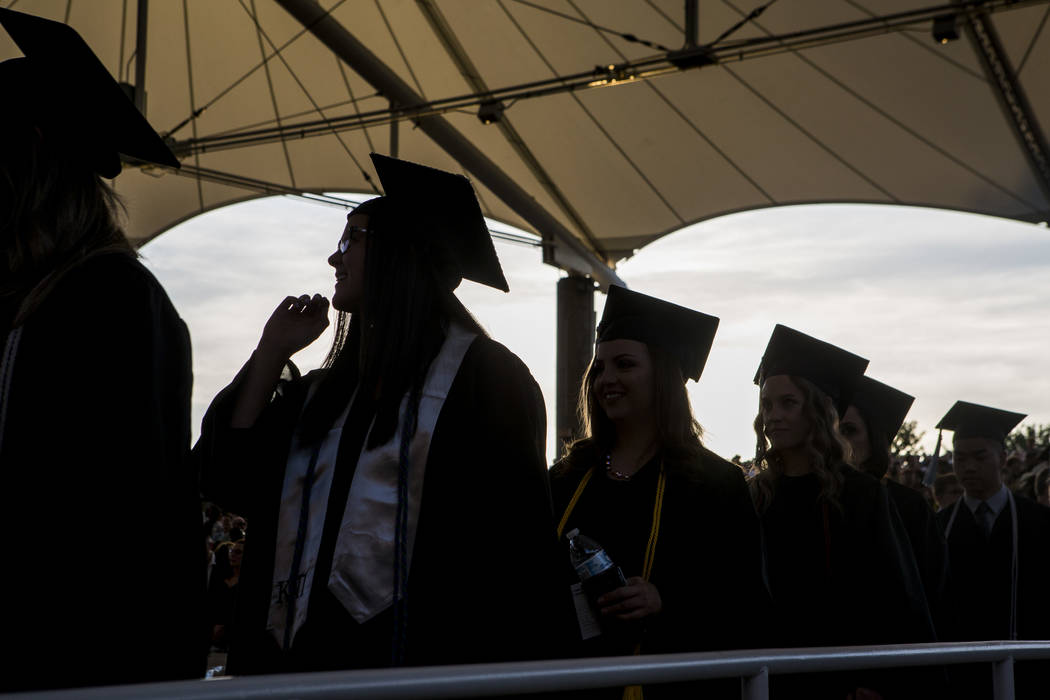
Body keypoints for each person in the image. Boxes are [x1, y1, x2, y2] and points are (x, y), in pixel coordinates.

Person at [194, 154, 571, 675]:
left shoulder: (486, 380)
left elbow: (513, 554)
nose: (334, 257)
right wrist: (270, 355)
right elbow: (231, 479)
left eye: (352, 237)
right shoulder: (323, 394)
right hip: (290, 665)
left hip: (421, 664)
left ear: (403, 251)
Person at [0, 9, 203, 691]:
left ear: (26, 153)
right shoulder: (27, 300)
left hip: (74, 665)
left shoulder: (113, 302)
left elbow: (124, 533)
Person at [550, 286, 768, 698]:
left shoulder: (715, 484)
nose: (606, 379)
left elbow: (748, 608)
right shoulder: (567, 478)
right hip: (571, 683)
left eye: (624, 364)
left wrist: (666, 603)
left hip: (673, 686)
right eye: (599, 367)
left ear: (664, 376)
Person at [750, 325, 936, 700]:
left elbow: (895, 597)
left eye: (789, 403)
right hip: (768, 675)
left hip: (845, 678)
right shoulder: (757, 493)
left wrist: (881, 682)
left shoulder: (860, 493)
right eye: (767, 405)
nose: (774, 416)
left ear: (817, 410)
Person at [934, 401, 1050, 699]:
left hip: (1031, 671)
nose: (968, 467)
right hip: (959, 674)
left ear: (1002, 457)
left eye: (979, 457)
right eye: (959, 459)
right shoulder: (937, 528)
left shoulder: (1038, 522)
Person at [839, 376, 950, 637]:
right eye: (832, 430)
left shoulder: (908, 507)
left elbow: (933, 590)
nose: (839, 441)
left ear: (875, 439)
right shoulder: (820, 498)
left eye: (849, 431)